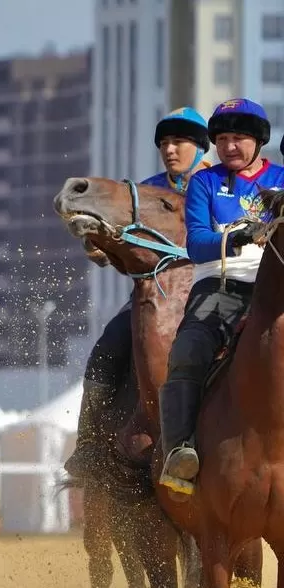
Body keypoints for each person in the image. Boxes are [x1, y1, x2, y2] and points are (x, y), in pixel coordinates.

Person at [63, 108, 210, 479]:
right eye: (164, 143)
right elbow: (125, 257)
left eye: (179, 141)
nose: (170, 150)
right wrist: (104, 250)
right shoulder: (144, 192)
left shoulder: (218, 183)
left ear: (200, 146)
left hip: (214, 294)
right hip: (154, 299)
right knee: (107, 348)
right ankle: (89, 446)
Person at [158, 98, 284, 498]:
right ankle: (180, 453)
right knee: (188, 351)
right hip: (221, 287)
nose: (229, 146)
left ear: (259, 140)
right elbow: (197, 244)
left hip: (277, 288)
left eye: (239, 138)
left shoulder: (282, 179)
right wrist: (243, 236)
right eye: (223, 138)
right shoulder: (206, 183)